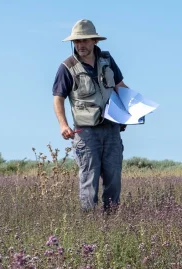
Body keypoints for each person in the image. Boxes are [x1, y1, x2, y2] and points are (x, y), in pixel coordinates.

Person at [52, 19, 129, 213]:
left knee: (113, 179)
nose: (80, 45)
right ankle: (90, 226)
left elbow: (120, 88)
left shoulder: (107, 60)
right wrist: (63, 125)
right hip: (85, 133)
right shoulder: (67, 67)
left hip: (112, 129)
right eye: (77, 41)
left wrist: (137, 109)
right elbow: (58, 98)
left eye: (85, 40)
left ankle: (110, 222)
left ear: (94, 41)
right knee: (89, 179)